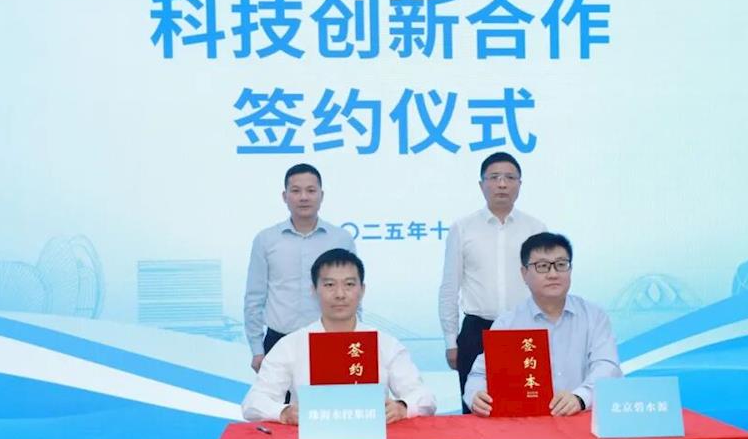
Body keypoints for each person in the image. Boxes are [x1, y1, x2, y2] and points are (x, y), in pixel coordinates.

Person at [242, 249, 436, 424]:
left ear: (362, 290)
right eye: (329, 285)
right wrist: (284, 413)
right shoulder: (291, 345)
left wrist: (402, 407)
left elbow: (425, 397)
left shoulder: (385, 343)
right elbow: (252, 403)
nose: (340, 294)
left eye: (349, 284)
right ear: (314, 290)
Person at [464, 232, 622, 417]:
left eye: (561, 265)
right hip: (527, 423)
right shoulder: (508, 323)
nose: (553, 274)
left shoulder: (594, 316)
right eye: (542, 266)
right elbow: (479, 375)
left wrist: (580, 398)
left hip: (582, 419)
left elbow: (607, 367)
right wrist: (476, 396)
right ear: (524, 274)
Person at [439, 152, 547, 412]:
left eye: (509, 178)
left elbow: (545, 286)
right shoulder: (463, 228)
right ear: (481, 184)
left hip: (524, 329)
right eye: (494, 177)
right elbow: (450, 288)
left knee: (528, 410)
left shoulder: (536, 229)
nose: (502, 184)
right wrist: (451, 341)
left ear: (519, 184)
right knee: (476, 412)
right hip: (477, 331)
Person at [244, 163, 355, 375]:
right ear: (284, 196)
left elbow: (352, 295)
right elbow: (254, 298)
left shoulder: (341, 239)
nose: (304, 197)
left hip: (330, 340)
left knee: (331, 397)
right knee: (280, 398)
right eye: (296, 191)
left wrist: (354, 339)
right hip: (279, 341)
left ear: (321, 195)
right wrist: (257, 349)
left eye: (311, 190)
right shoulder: (266, 240)